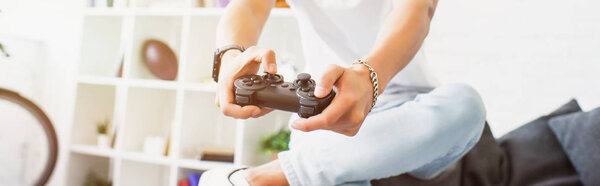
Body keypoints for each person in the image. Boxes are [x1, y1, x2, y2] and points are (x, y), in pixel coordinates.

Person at [201, 0, 487, 185]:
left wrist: (368, 77)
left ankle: (259, 179)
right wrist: (230, 57)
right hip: (325, 109)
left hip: (409, 111)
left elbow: (417, 11)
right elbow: (248, 6)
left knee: (465, 105)